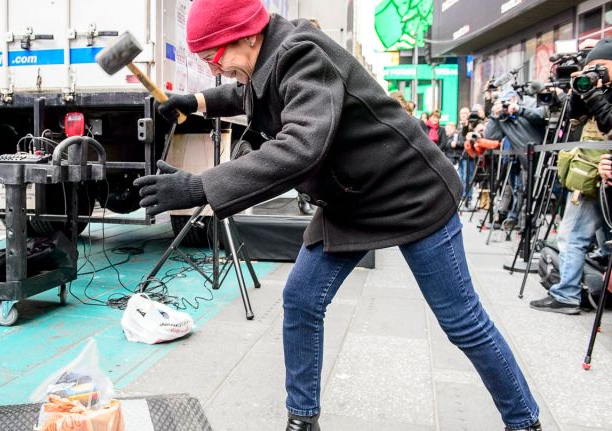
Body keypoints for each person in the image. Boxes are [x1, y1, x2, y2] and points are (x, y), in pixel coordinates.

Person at [133, 1, 541, 429]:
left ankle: (524, 421)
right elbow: (246, 93)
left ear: (247, 35)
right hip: (351, 199)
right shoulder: (269, 55)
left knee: (461, 320)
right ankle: (303, 420)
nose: (214, 69)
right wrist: (195, 100)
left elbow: (300, 146)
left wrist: (201, 186)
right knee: (302, 300)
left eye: (212, 57)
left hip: (410, 192)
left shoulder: (303, 54)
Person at [530, 38, 612, 315]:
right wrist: (581, 91)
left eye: (600, 67)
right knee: (600, 239)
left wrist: (596, 96)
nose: (594, 73)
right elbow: (572, 116)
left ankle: (566, 294)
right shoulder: (595, 89)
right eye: (591, 67)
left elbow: (609, 122)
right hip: (590, 173)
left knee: (572, 236)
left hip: (596, 176)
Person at [484, 89, 547, 229]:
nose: (505, 107)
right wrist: (494, 116)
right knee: (525, 193)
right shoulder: (502, 118)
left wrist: (519, 110)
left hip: (545, 157)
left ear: (515, 99)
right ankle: (526, 229)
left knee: (544, 194)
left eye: (507, 102)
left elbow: (542, 116)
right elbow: (490, 136)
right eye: (503, 104)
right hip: (525, 161)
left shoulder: (530, 102)